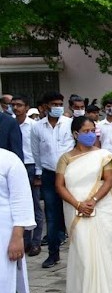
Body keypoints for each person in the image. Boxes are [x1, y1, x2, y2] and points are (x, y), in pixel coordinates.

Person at [55, 116, 112, 293]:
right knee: (83, 253)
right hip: (75, 210)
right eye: (85, 131)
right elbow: (59, 185)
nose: (90, 134)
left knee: (103, 252)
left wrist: (93, 200)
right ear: (75, 134)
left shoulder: (104, 155)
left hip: (100, 210)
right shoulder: (66, 158)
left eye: (92, 131)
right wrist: (78, 204)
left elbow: (109, 180)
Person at [0, 149, 36, 293]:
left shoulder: (8, 160)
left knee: (6, 283)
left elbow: (22, 200)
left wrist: (17, 237)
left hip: (5, 232)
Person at [31, 91, 74, 268]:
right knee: (52, 214)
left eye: (59, 104)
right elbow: (36, 151)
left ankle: (79, 252)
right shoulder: (37, 127)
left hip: (70, 172)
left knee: (72, 211)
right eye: (54, 104)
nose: (57, 107)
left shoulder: (69, 124)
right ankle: (53, 254)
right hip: (49, 174)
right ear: (46, 106)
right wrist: (39, 172)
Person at [12, 95, 43, 256]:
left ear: (26, 107)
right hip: (14, 165)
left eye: (19, 105)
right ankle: (24, 240)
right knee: (18, 204)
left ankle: (36, 242)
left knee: (35, 204)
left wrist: (38, 172)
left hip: (31, 166)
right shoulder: (9, 123)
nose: (16, 108)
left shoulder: (33, 126)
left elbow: (37, 150)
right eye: (13, 105)